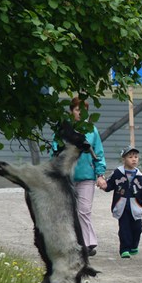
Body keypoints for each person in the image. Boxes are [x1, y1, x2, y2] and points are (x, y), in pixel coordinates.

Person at [53, 97, 107, 256]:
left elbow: (98, 153)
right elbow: (55, 151)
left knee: (83, 210)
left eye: (84, 111)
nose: (80, 114)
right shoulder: (63, 129)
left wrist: (100, 174)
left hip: (86, 177)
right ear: (71, 111)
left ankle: (88, 244)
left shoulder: (92, 131)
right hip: (67, 177)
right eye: (77, 110)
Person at [103, 146, 142, 258]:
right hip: (122, 206)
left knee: (137, 228)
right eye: (130, 157)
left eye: (136, 157)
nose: (134, 159)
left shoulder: (140, 176)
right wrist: (104, 185)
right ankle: (124, 249)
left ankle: (134, 245)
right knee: (124, 228)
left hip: (136, 206)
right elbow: (110, 185)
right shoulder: (117, 173)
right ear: (124, 159)